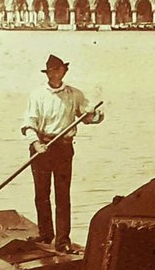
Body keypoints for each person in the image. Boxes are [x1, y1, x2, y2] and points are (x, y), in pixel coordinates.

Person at [20, 54, 103, 253]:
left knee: (63, 196)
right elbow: (28, 125)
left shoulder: (75, 94)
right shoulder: (37, 95)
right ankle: (46, 233)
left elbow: (89, 118)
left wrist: (94, 115)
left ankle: (63, 241)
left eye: (59, 69)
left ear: (64, 71)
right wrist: (36, 143)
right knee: (41, 194)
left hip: (64, 148)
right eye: (52, 70)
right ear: (47, 73)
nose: (56, 73)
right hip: (41, 147)